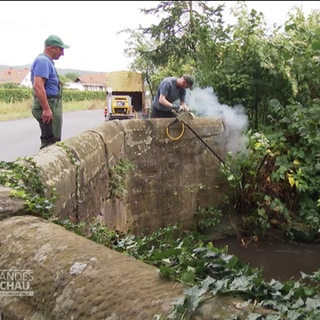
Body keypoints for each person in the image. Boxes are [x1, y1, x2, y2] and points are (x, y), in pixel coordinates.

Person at [31, 35, 69, 149]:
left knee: (54, 141)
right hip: (49, 104)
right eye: (60, 49)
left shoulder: (47, 62)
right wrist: (47, 109)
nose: (62, 53)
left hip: (52, 104)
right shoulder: (43, 61)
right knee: (49, 142)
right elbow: (38, 86)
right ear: (52, 48)